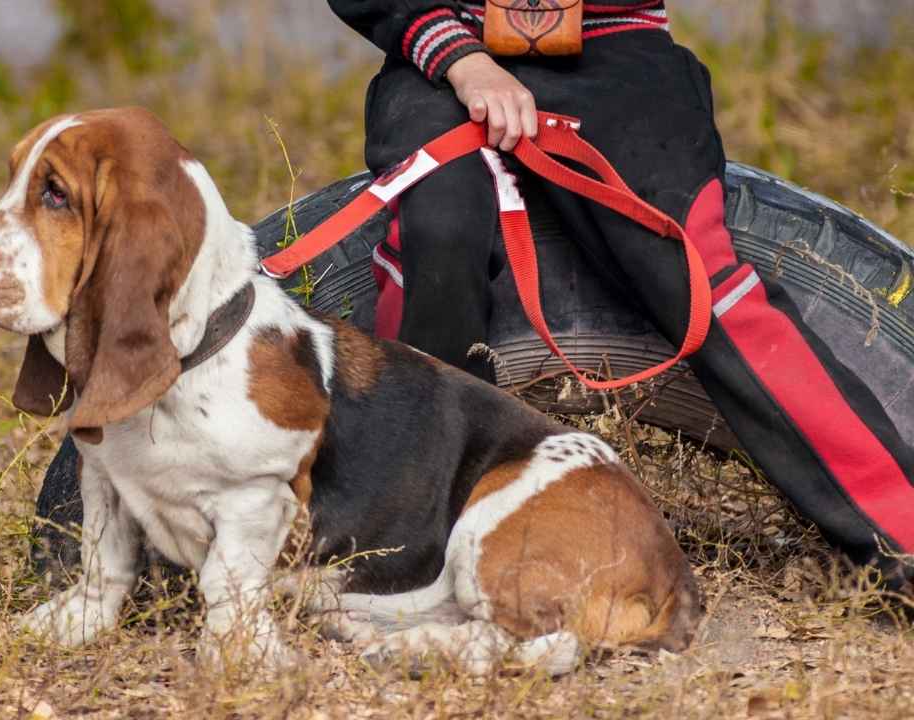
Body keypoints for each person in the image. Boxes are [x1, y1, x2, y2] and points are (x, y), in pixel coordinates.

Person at [326, 0, 914, 589]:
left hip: (619, 52)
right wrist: (461, 57)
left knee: (698, 281)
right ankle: (402, 554)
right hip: (440, 59)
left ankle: (901, 534)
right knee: (436, 241)